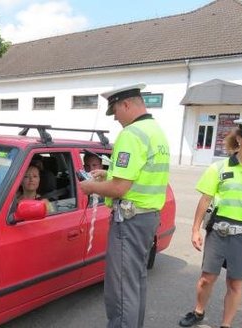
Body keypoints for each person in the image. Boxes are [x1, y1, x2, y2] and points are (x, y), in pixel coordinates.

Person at [80, 83, 170, 328]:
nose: (116, 119)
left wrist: (90, 187)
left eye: (116, 112)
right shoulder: (155, 131)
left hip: (129, 221)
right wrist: (107, 174)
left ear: (126, 104)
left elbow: (120, 188)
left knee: (120, 290)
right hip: (147, 217)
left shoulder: (132, 134)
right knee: (135, 283)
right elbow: (136, 174)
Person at [178, 119, 242, 328]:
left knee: (235, 283)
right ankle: (198, 311)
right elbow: (205, 199)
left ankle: (226, 324)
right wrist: (195, 230)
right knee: (207, 278)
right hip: (219, 231)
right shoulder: (219, 167)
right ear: (240, 139)